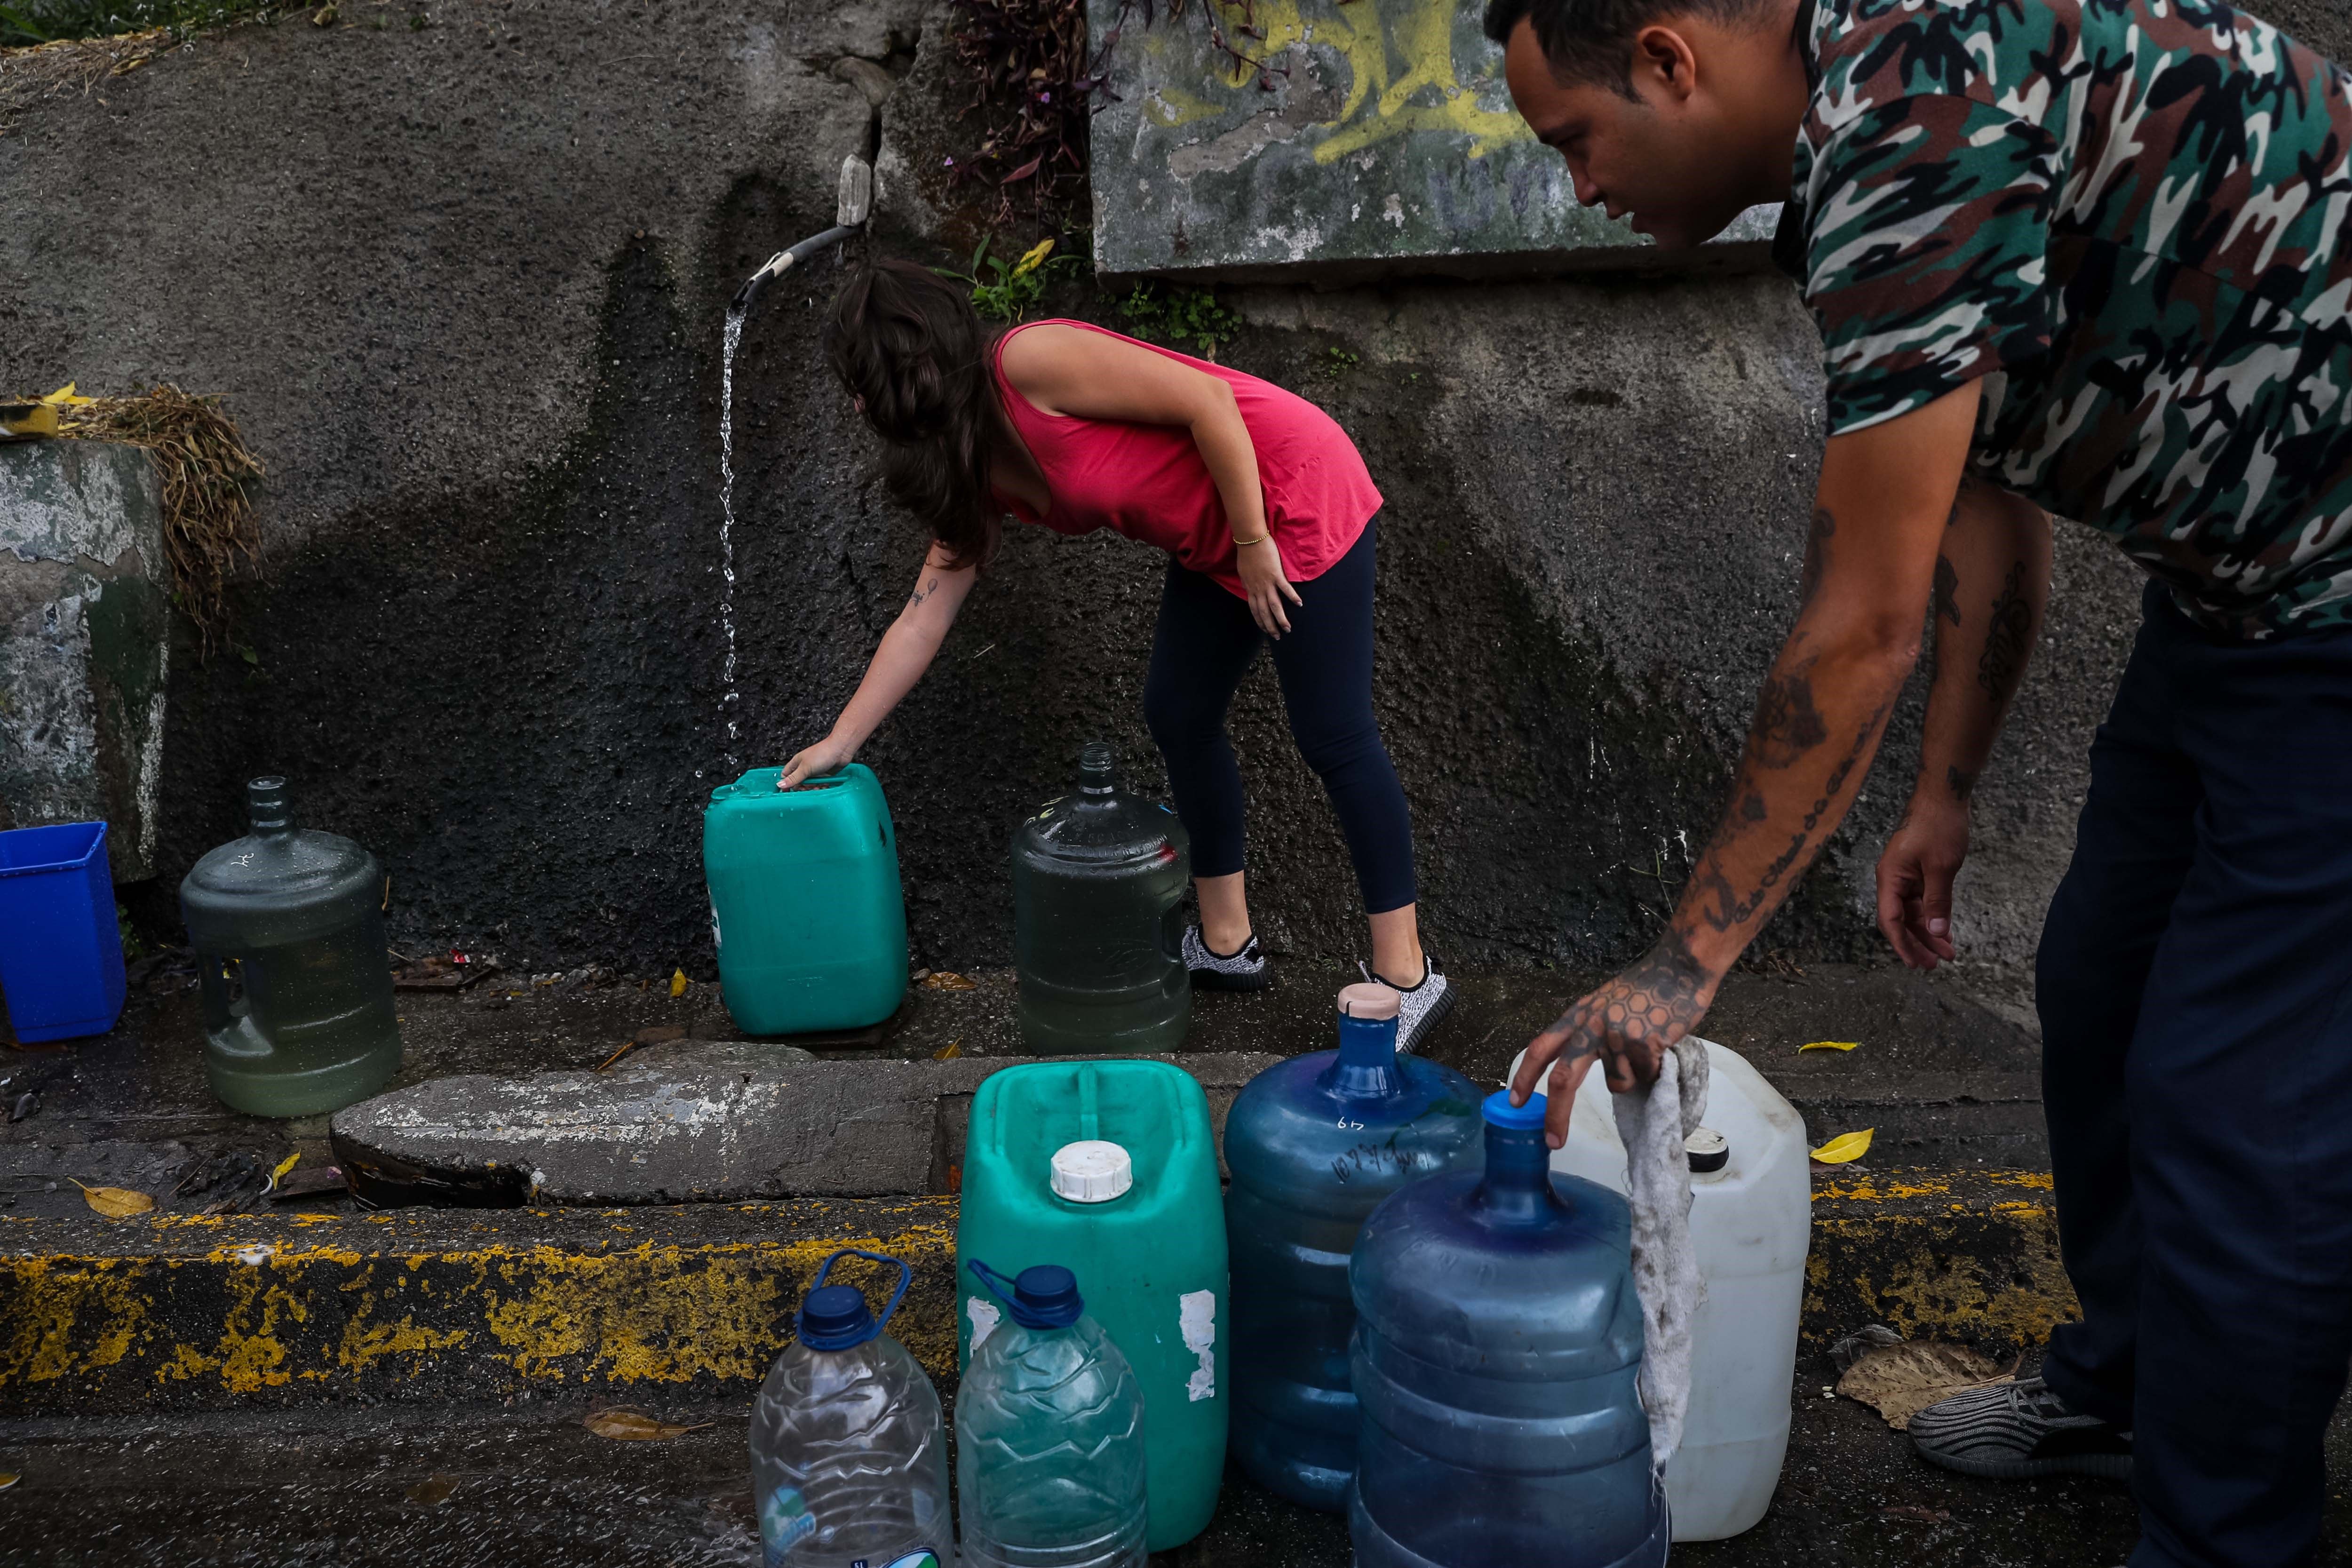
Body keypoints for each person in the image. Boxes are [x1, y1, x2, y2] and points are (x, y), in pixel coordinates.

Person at [1486, 0, 2352, 1560]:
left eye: (1578, 142)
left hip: (2337, 608)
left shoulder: (1904, 117)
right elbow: (1980, 504)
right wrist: (1943, 789)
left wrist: (1686, 961)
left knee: (2239, 1104)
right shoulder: (1863, 139)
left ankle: (2229, 1531)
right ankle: (2138, 1388)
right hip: (2240, 590)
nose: (1581, 191)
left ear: (1672, 60)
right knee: (2102, 984)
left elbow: (1858, 624)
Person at [786, 261, 1452, 1049]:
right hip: (1216, 541)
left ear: (904, 360)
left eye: (858, 381)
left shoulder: (1028, 362)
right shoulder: (966, 462)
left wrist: (1252, 542)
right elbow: (921, 619)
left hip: (1287, 491)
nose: (856, 404)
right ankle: (1227, 942)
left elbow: (1208, 400)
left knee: (1333, 734)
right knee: (1179, 711)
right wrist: (842, 740)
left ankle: (1408, 975)